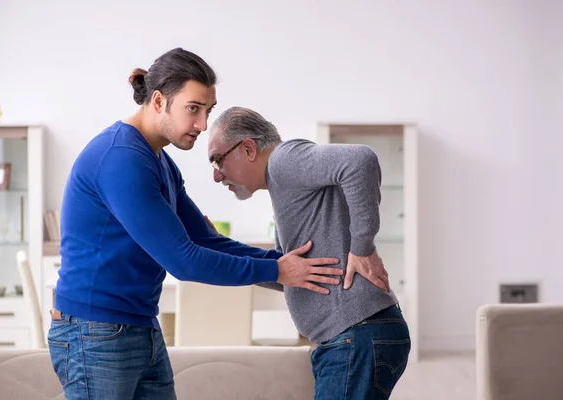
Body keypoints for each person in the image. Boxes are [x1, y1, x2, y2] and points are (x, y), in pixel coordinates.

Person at [48, 48, 343, 400]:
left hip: (138, 325)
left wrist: (289, 269)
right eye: (193, 109)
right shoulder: (121, 159)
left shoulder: (160, 162)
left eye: (209, 110)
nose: (203, 125)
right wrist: (278, 271)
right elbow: (184, 260)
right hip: (94, 332)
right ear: (158, 101)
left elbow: (205, 240)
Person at [207, 107, 411, 400]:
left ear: (248, 148)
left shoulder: (283, 161)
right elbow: (289, 274)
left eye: (217, 160)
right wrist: (218, 245)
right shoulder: (281, 184)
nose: (216, 175)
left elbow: (360, 160)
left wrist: (362, 247)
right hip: (352, 336)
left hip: (356, 334)